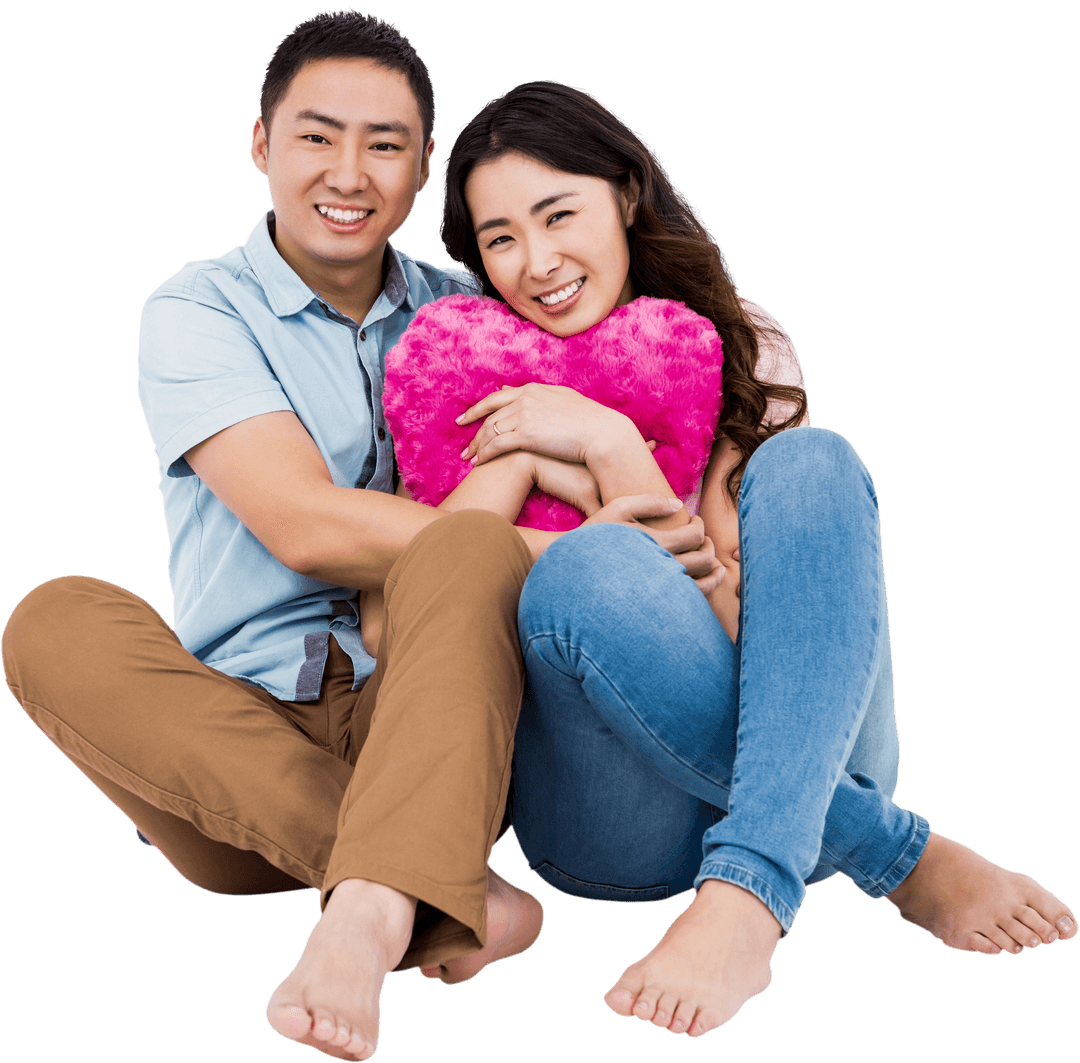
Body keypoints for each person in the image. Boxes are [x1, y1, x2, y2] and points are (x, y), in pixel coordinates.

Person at [1, 16, 714, 1062]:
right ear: (260, 145)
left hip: (435, 724)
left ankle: (373, 916)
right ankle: (442, 893)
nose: (349, 172)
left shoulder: (477, 311)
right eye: (315, 137)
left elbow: (615, 397)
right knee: (54, 617)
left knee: (464, 551)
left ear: (425, 167)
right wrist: (575, 555)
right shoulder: (199, 309)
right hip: (232, 743)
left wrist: (604, 464)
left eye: (384, 144)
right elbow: (301, 524)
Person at [407, 79, 1077, 1036]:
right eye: (500, 238)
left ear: (626, 195)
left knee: (816, 458)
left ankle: (747, 896)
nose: (536, 262)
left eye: (560, 214)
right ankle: (893, 853)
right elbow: (449, 595)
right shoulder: (466, 373)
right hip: (609, 819)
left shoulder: (736, 341)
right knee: (580, 575)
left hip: (798, 765)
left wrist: (606, 442)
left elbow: (765, 638)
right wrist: (540, 449)